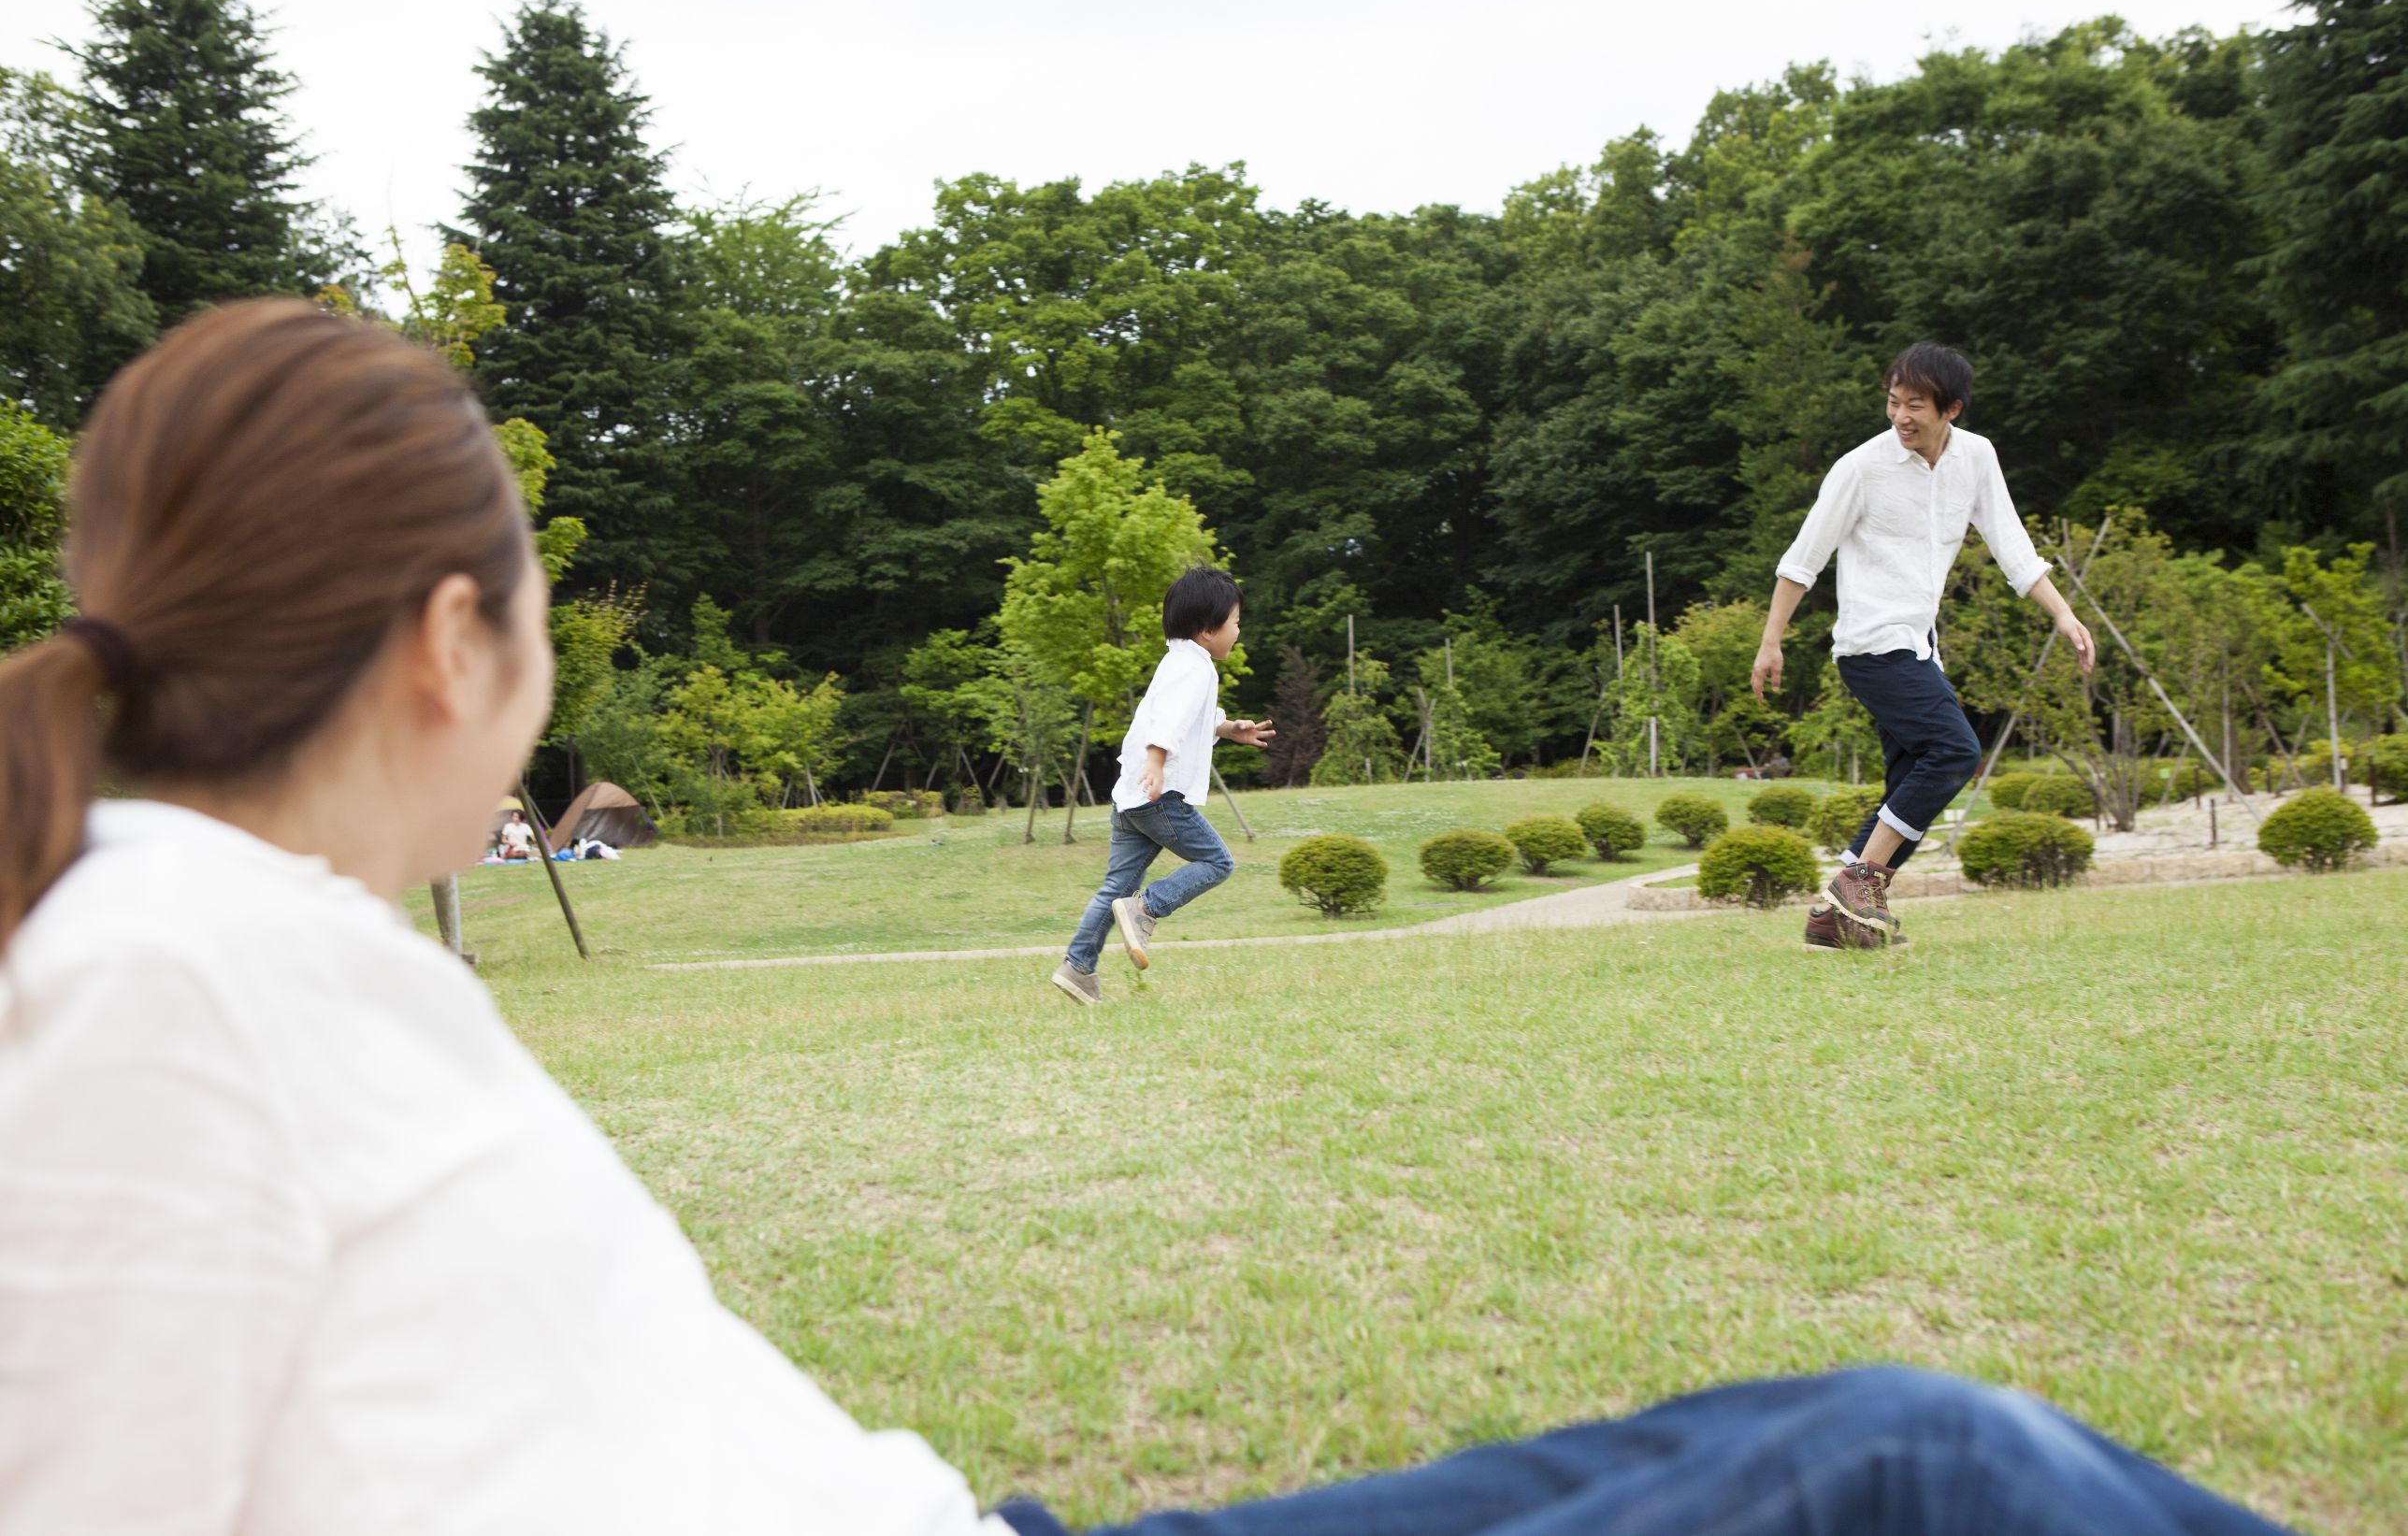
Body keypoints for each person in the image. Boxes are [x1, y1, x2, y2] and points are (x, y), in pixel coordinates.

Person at [0, 302, 2292, 1535]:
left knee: (1896, 1448)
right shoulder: (154, 983)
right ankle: (1122, 930)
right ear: (444, 649)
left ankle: (1116, 935)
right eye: (531, 625)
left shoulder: (218, 949)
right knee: (1922, 1468)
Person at [1752, 341, 2097, 952]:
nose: (1900, 416)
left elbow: (2012, 545)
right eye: (1892, 401)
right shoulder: (1860, 467)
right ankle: (1858, 881)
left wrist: (2064, 614)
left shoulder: (1976, 459)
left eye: (1915, 404)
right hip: (1869, 647)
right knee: (1953, 751)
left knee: (1912, 782)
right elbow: (1802, 559)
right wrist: (1770, 640)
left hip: (1919, 648)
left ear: (1951, 409)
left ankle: (1830, 919)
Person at [1048, 566, 1273, 1006]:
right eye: (1236, 623)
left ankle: (1077, 968)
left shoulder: (1180, 663)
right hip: (1159, 794)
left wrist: (1227, 728)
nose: (1238, 631)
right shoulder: (1195, 669)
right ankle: (1148, 908)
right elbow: (1168, 722)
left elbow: (1188, 716)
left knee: (1114, 889)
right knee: (1217, 862)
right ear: (1208, 629)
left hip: (1132, 797)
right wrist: (1156, 758)